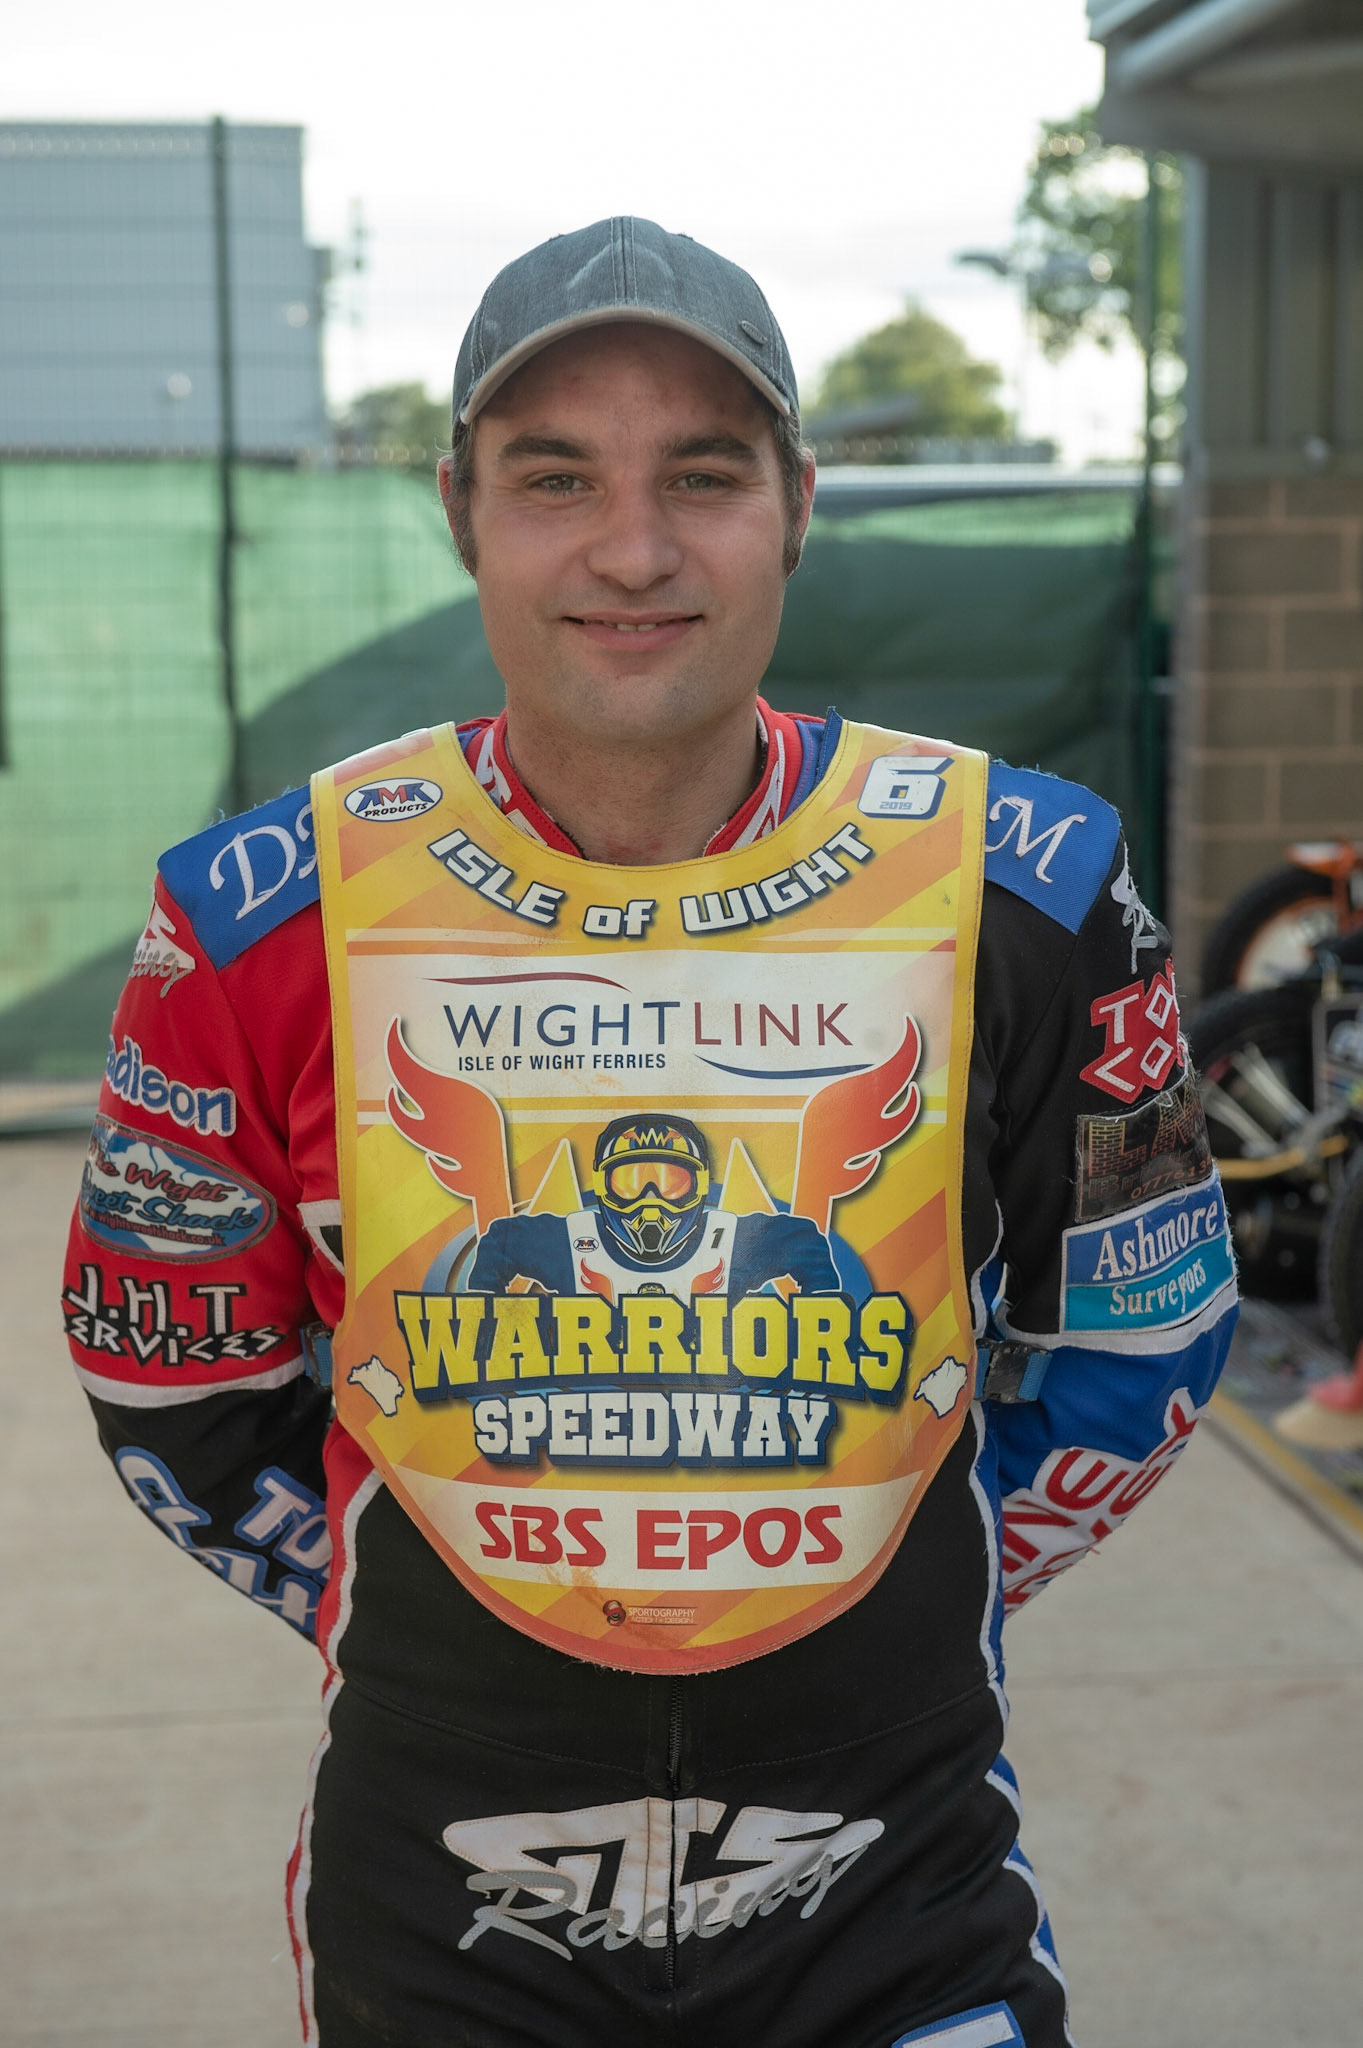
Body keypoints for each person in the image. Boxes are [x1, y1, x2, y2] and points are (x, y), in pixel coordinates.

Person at [64, 217, 1236, 2048]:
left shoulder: (1032, 884)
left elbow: (1150, 1332)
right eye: (557, 479)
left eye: (702, 474)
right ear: (462, 508)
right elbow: (171, 1381)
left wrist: (917, 1573)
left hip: (896, 1891)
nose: (631, 549)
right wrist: (406, 1588)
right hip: (442, 1899)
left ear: (798, 502)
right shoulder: (251, 917)